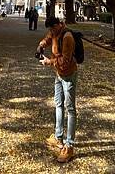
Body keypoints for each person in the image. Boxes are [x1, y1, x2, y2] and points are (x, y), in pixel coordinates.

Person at [36, 16, 78, 163]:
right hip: (58, 75)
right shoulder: (54, 32)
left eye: (53, 28)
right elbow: (48, 39)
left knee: (70, 108)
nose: (52, 31)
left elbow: (65, 62)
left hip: (68, 75)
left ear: (59, 24)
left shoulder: (67, 37)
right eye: (50, 29)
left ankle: (69, 145)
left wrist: (49, 62)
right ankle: (58, 137)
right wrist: (41, 45)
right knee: (58, 104)